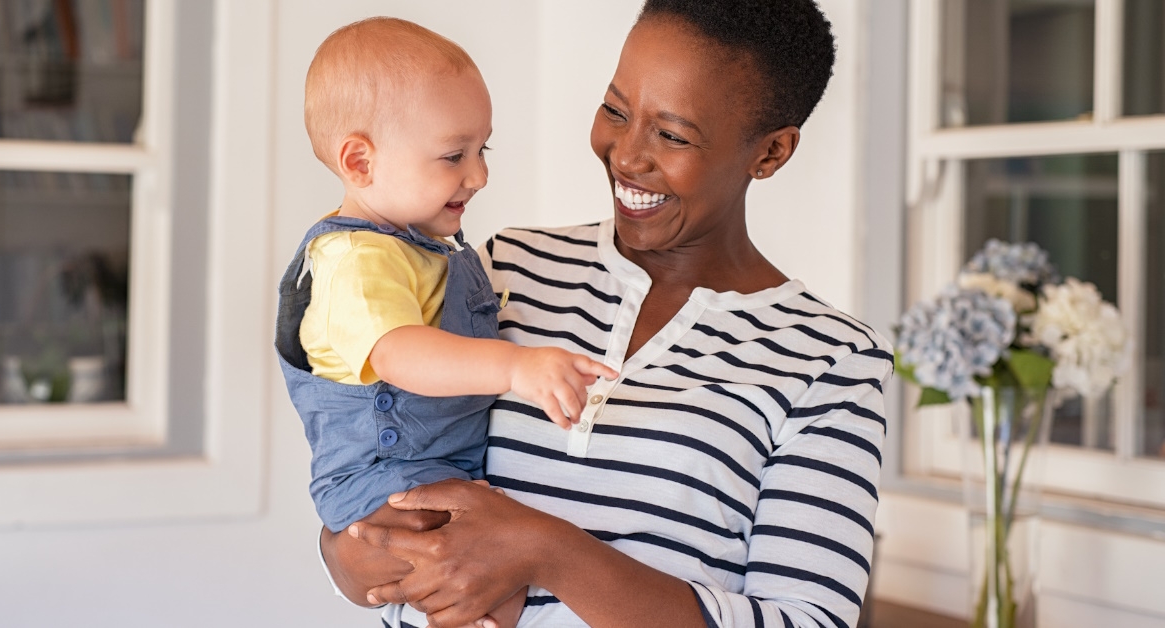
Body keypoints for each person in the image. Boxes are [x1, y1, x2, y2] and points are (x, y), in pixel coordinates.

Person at [320, 1, 894, 627]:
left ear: (772, 152)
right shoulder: (500, 268)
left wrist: (549, 550)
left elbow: (812, 621)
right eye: (616, 111)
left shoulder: (829, 360)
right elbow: (375, 440)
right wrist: (342, 552)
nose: (626, 155)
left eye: (672, 135)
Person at [275, 17, 618, 628]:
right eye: (453, 156)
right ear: (360, 162)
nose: (479, 175)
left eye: (483, 150)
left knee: (489, 583)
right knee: (482, 585)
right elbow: (404, 355)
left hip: (435, 466)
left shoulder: (420, 246)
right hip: (388, 479)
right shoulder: (356, 260)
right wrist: (518, 367)